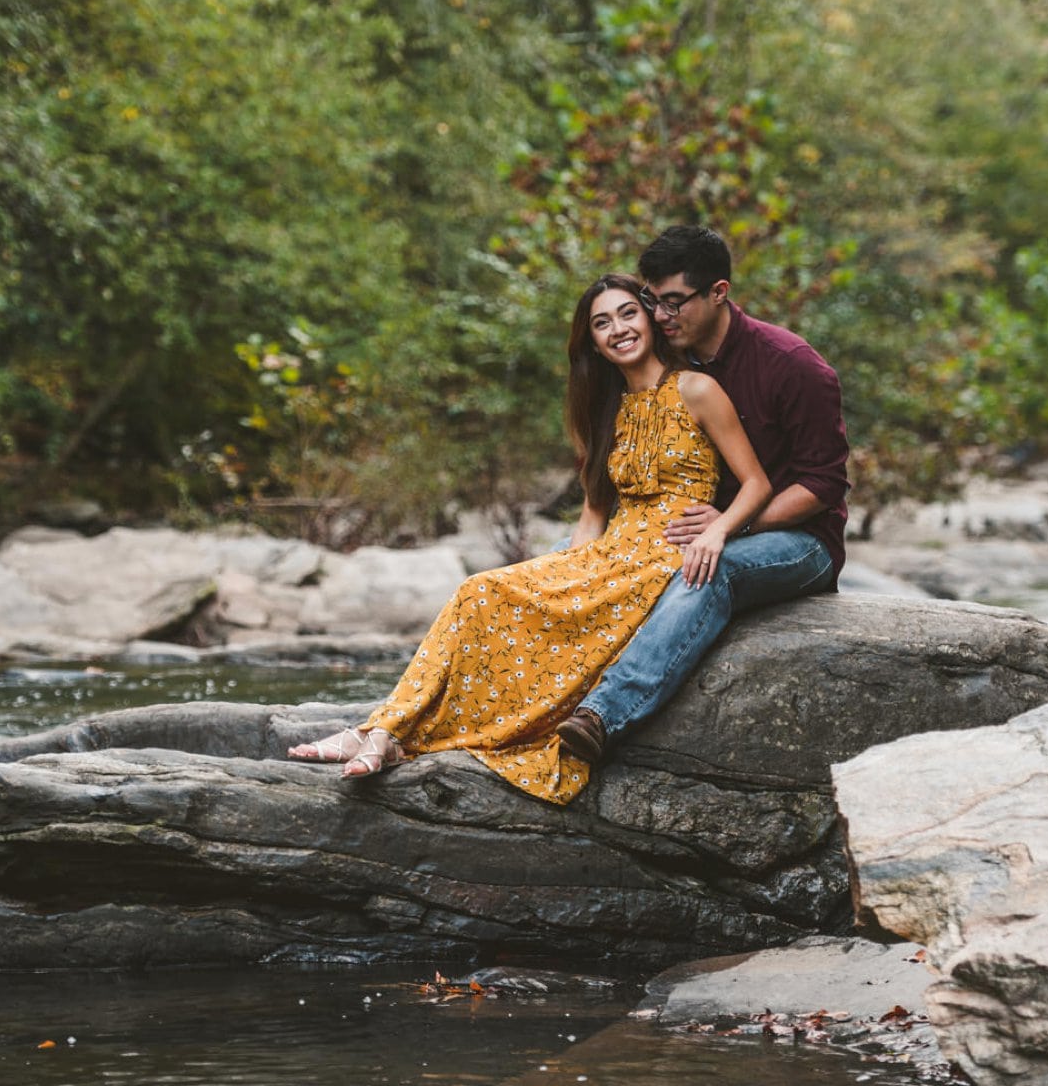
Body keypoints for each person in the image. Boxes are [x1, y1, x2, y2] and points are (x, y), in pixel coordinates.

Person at [286, 273, 771, 804]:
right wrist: (560, 569)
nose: (619, 330)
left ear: (651, 318)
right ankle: (384, 731)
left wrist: (719, 530)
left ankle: (387, 734)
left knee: (498, 599)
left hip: (667, 557)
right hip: (613, 553)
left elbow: (757, 483)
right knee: (482, 591)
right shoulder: (605, 409)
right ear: (591, 342)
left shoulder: (696, 388)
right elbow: (593, 511)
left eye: (628, 314)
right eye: (601, 323)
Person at [548, 225, 850, 767]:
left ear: (719, 292)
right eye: (653, 302)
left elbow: (824, 485)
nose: (661, 317)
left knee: (711, 568)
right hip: (709, 526)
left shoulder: (793, 365)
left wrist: (732, 527)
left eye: (673, 303)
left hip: (799, 541)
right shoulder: (673, 366)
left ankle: (602, 715)